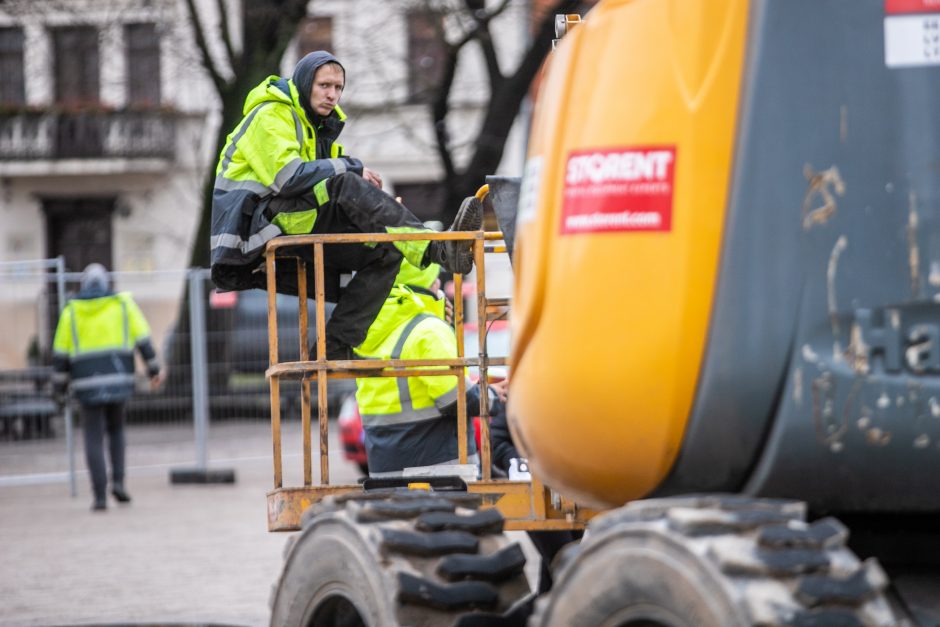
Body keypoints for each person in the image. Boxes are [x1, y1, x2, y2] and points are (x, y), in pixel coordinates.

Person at [210, 50, 482, 360]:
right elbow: (290, 178)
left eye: (338, 88)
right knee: (347, 182)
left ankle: (335, 347)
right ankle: (438, 250)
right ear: (304, 82)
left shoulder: (316, 127)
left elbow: (322, 187)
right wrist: (351, 168)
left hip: (284, 219)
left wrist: (379, 208)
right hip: (254, 228)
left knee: (387, 247)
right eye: (324, 85)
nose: (332, 95)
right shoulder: (271, 114)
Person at [353, 260, 503, 476]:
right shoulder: (429, 330)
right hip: (437, 473)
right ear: (429, 285)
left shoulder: (372, 327)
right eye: (435, 280)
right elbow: (455, 400)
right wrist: (495, 396)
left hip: (385, 470)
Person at [52, 264, 162, 511]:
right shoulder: (123, 304)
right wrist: (154, 370)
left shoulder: (72, 311)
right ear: (106, 284)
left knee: (93, 436)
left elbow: (60, 355)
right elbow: (144, 340)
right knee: (116, 430)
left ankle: (100, 496)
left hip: (86, 384)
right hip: (119, 380)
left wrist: (58, 391)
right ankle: (119, 483)